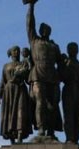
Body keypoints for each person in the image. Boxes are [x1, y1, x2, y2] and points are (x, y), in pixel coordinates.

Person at [25, 1, 63, 138]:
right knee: (40, 102)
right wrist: (31, 6)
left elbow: (61, 62)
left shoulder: (54, 47)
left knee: (53, 105)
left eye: (47, 29)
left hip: (52, 76)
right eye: (43, 29)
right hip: (38, 76)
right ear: (40, 31)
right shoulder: (34, 41)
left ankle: (51, 131)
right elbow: (30, 24)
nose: (44, 31)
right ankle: (41, 129)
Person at [0, 45, 33, 144]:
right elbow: (2, 81)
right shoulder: (6, 66)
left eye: (18, 50)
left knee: (21, 111)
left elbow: (28, 78)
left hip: (20, 89)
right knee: (9, 113)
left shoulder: (23, 63)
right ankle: (11, 138)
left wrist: (27, 69)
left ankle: (20, 136)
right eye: (14, 50)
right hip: (8, 91)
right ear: (11, 53)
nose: (16, 52)